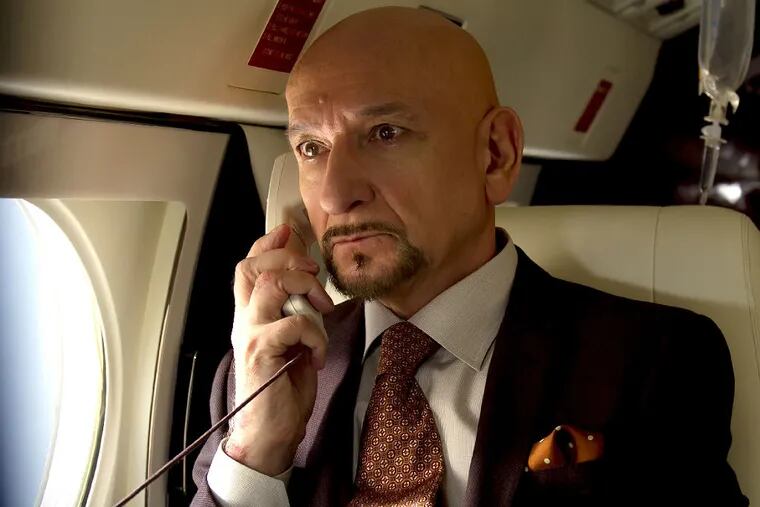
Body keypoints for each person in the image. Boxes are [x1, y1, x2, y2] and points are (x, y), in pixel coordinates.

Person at [192, 6, 747, 506]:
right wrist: (256, 453)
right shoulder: (257, 376)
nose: (335, 196)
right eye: (311, 148)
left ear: (496, 154)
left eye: (385, 133)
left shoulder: (654, 359)